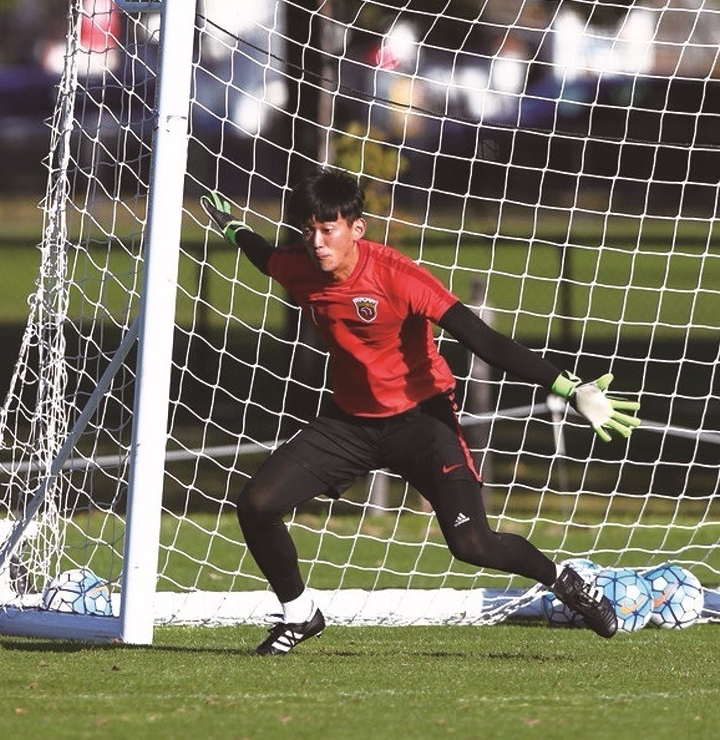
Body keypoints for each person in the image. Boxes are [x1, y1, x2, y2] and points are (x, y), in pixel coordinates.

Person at [200, 169, 641, 656]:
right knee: (257, 505)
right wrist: (232, 228)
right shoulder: (301, 265)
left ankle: (565, 581)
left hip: (422, 422)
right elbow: (265, 258)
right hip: (349, 423)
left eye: (329, 230)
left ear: (356, 229)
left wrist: (568, 386)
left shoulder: (397, 275)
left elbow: (483, 340)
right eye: (309, 231)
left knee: (471, 544)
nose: (317, 243)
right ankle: (300, 613)